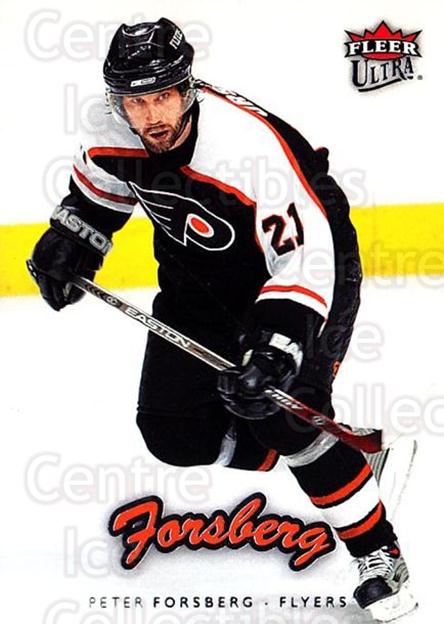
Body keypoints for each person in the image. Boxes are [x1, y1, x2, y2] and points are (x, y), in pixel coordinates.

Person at [29, 18, 417, 621]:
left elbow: (307, 254)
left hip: (309, 268)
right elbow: (99, 191)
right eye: (135, 101)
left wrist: (278, 347)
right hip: (198, 283)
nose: (150, 115)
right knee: (174, 434)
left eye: (162, 96)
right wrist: (72, 239)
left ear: (188, 88)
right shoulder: (110, 126)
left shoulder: (245, 150)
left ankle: (378, 553)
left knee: (287, 415)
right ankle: (342, 460)